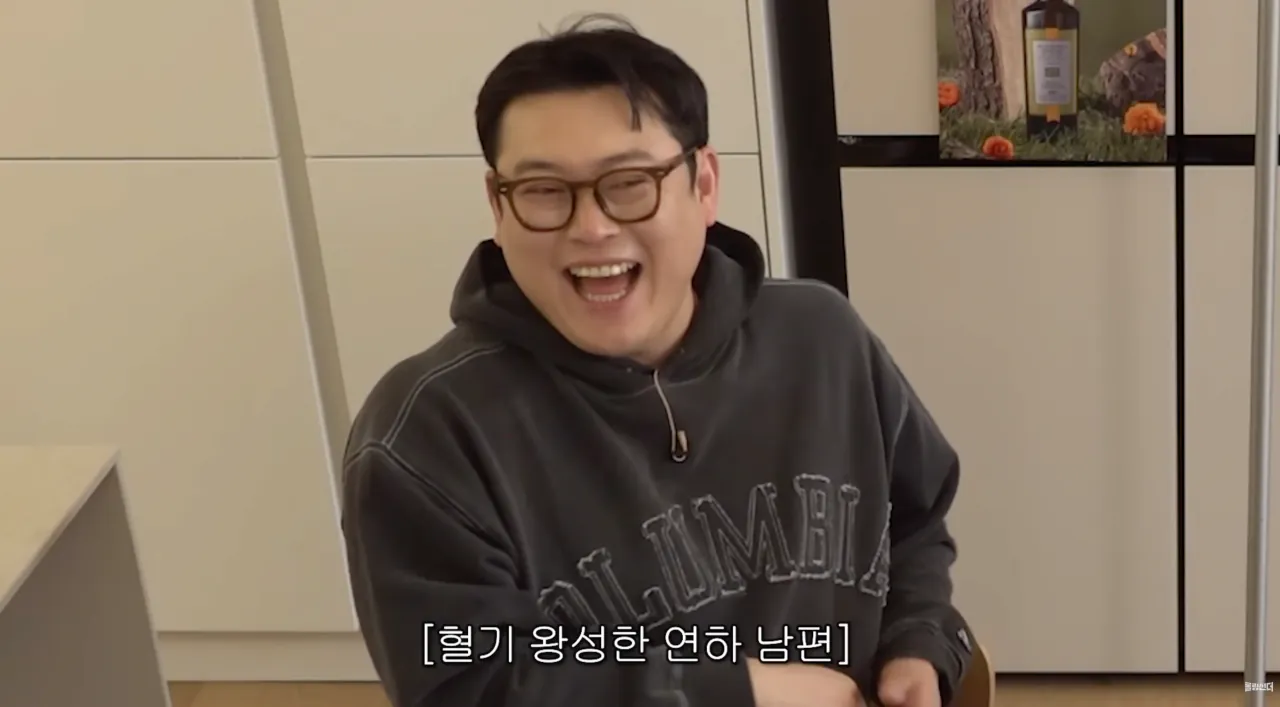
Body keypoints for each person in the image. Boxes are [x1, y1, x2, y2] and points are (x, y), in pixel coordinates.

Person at [340, 14, 974, 707]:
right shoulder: (426, 433)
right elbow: (466, 671)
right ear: (499, 204)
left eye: (630, 182)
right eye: (545, 190)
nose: (592, 227)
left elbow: (916, 519)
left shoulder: (821, 336)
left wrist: (918, 638)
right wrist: (740, 690)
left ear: (704, 184)